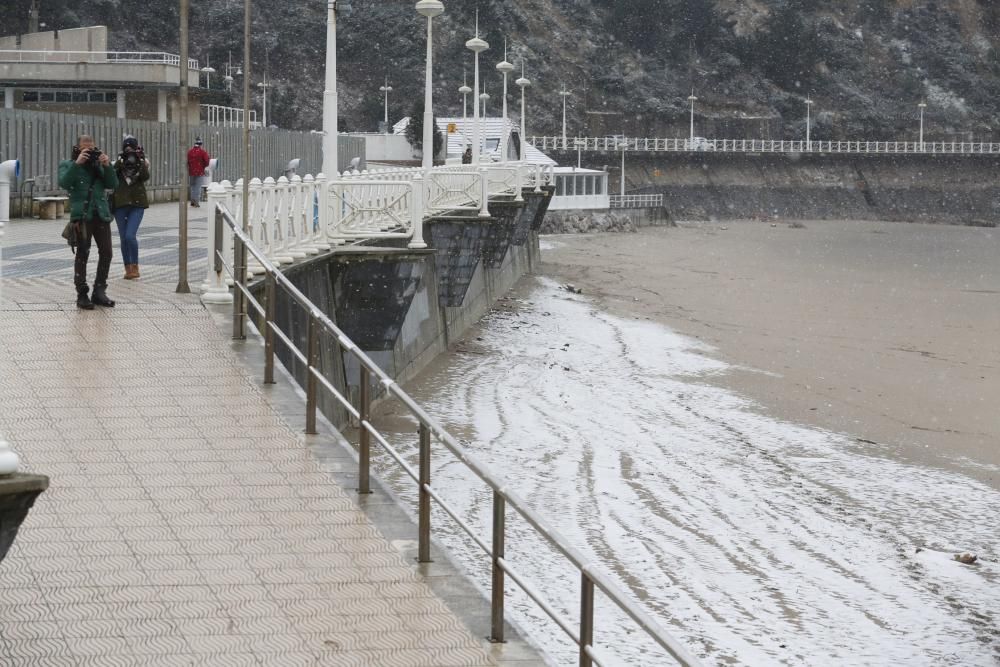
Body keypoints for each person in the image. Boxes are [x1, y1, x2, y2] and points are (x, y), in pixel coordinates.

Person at [58, 135, 119, 310]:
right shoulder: (68, 165)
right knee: (82, 254)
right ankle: (82, 293)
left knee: (107, 252)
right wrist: (77, 164)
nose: (89, 152)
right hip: (82, 216)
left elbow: (113, 184)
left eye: (91, 149)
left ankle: (99, 291)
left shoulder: (98, 164)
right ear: (77, 148)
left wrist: (107, 166)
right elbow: (64, 183)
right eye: (85, 149)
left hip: (101, 214)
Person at [112, 136, 150, 280]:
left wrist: (140, 161)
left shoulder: (141, 162)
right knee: (123, 238)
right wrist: (119, 162)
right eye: (126, 148)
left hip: (137, 204)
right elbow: (111, 177)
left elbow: (145, 177)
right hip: (120, 204)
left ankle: (135, 266)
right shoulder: (119, 163)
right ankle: (128, 268)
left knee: (130, 236)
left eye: (131, 148)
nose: (129, 151)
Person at [187, 137, 210, 207]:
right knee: (198, 187)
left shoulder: (189, 152)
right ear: (200, 144)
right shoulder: (203, 152)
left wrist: (191, 167)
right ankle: (196, 201)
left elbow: (187, 161)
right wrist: (203, 166)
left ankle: (192, 200)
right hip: (200, 172)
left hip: (191, 172)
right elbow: (207, 161)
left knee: (193, 186)